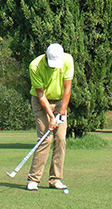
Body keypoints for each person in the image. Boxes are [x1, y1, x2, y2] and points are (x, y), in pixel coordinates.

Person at [26, 43, 74, 191]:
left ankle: (55, 179)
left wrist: (62, 112)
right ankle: (33, 179)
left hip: (60, 102)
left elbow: (67, 88)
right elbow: (40, 94)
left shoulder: (67, 60)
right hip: (41, 103)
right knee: (45, 139)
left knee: (60, 139)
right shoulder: (35, 65)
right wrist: (51, 117)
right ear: (46, 56)